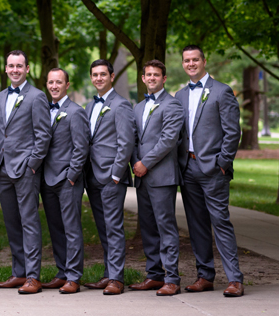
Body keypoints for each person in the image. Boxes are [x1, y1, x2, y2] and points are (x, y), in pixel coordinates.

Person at [175, 45, 244, 297]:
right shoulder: (180, 96)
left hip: (213, 168)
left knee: (220, 222)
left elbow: (232, 131)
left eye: (195, 59)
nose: (191, 63)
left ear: (204, 61)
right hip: (187, 167)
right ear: (183, 64)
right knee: (196, 224)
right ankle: (205, 276)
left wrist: (223, 162)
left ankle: (235, 279)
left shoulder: (222, 91)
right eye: (186, 60)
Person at [0, 50, 52, 294]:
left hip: (26, 169)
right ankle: (19, 272)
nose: (15, 70)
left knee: (29, 222)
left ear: (27, 69)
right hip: (1, 168)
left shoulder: (37, 97)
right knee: (11, 222)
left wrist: (32, 164)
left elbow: (43, 135)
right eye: (11, 66)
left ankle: (33, 277)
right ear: (5, 69)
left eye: (19, 66)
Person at [130, 60, 185, 296]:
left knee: (166, 227)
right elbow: (134, 139)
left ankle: (172, 278)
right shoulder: (138, 107)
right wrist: (135, 162)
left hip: (162, 176)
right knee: (148, 227)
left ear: (164, 78)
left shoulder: (172, 105)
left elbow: (168, 140)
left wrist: (145, 163)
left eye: (156, 74)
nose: (151, 78)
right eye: (148, 74)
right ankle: (154, 275)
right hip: (141, 176)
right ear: (143, 78)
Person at [82, 59, 136, 296]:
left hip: (111, 176)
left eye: (103, 74)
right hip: (92, 175)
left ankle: (117, 278)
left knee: (113, 227)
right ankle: (108, 274)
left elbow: (126, 143)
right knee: (103, 228)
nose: (98, 78)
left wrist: (116, 173)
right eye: (95, 75)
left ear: (112, 77)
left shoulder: (121, 105)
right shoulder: (90, 106)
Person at [40, 67, 89, 294]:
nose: (54, 86)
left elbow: (81, 147)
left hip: (67, 180)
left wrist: (71, 176)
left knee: (71, 229)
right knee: (56, 229)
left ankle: (73, 276)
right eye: (51, 82)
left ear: (67, 85)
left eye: (59, 82)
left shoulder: (76, 112)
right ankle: (61, 272)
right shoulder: (43, 109)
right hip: (47, 180)